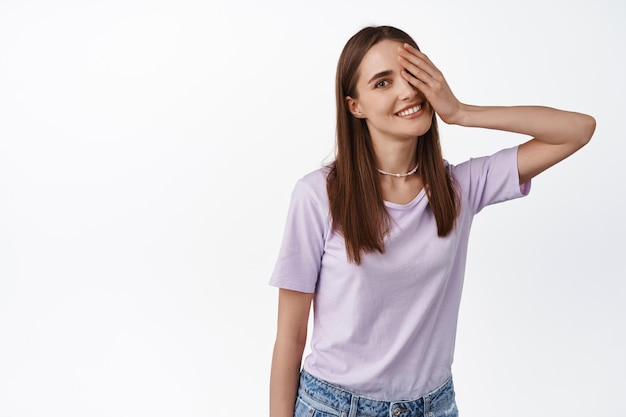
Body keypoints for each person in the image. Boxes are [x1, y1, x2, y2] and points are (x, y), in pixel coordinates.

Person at [268, 25, 595, 417]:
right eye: (382, 82)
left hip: (434, 407)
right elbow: (290, 336)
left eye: (412, 74)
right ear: (355, 106)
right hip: (335, 407)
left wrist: (460, 112)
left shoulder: (459, 188)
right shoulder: (318, 195)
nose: (406, 91)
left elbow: (578, 130)